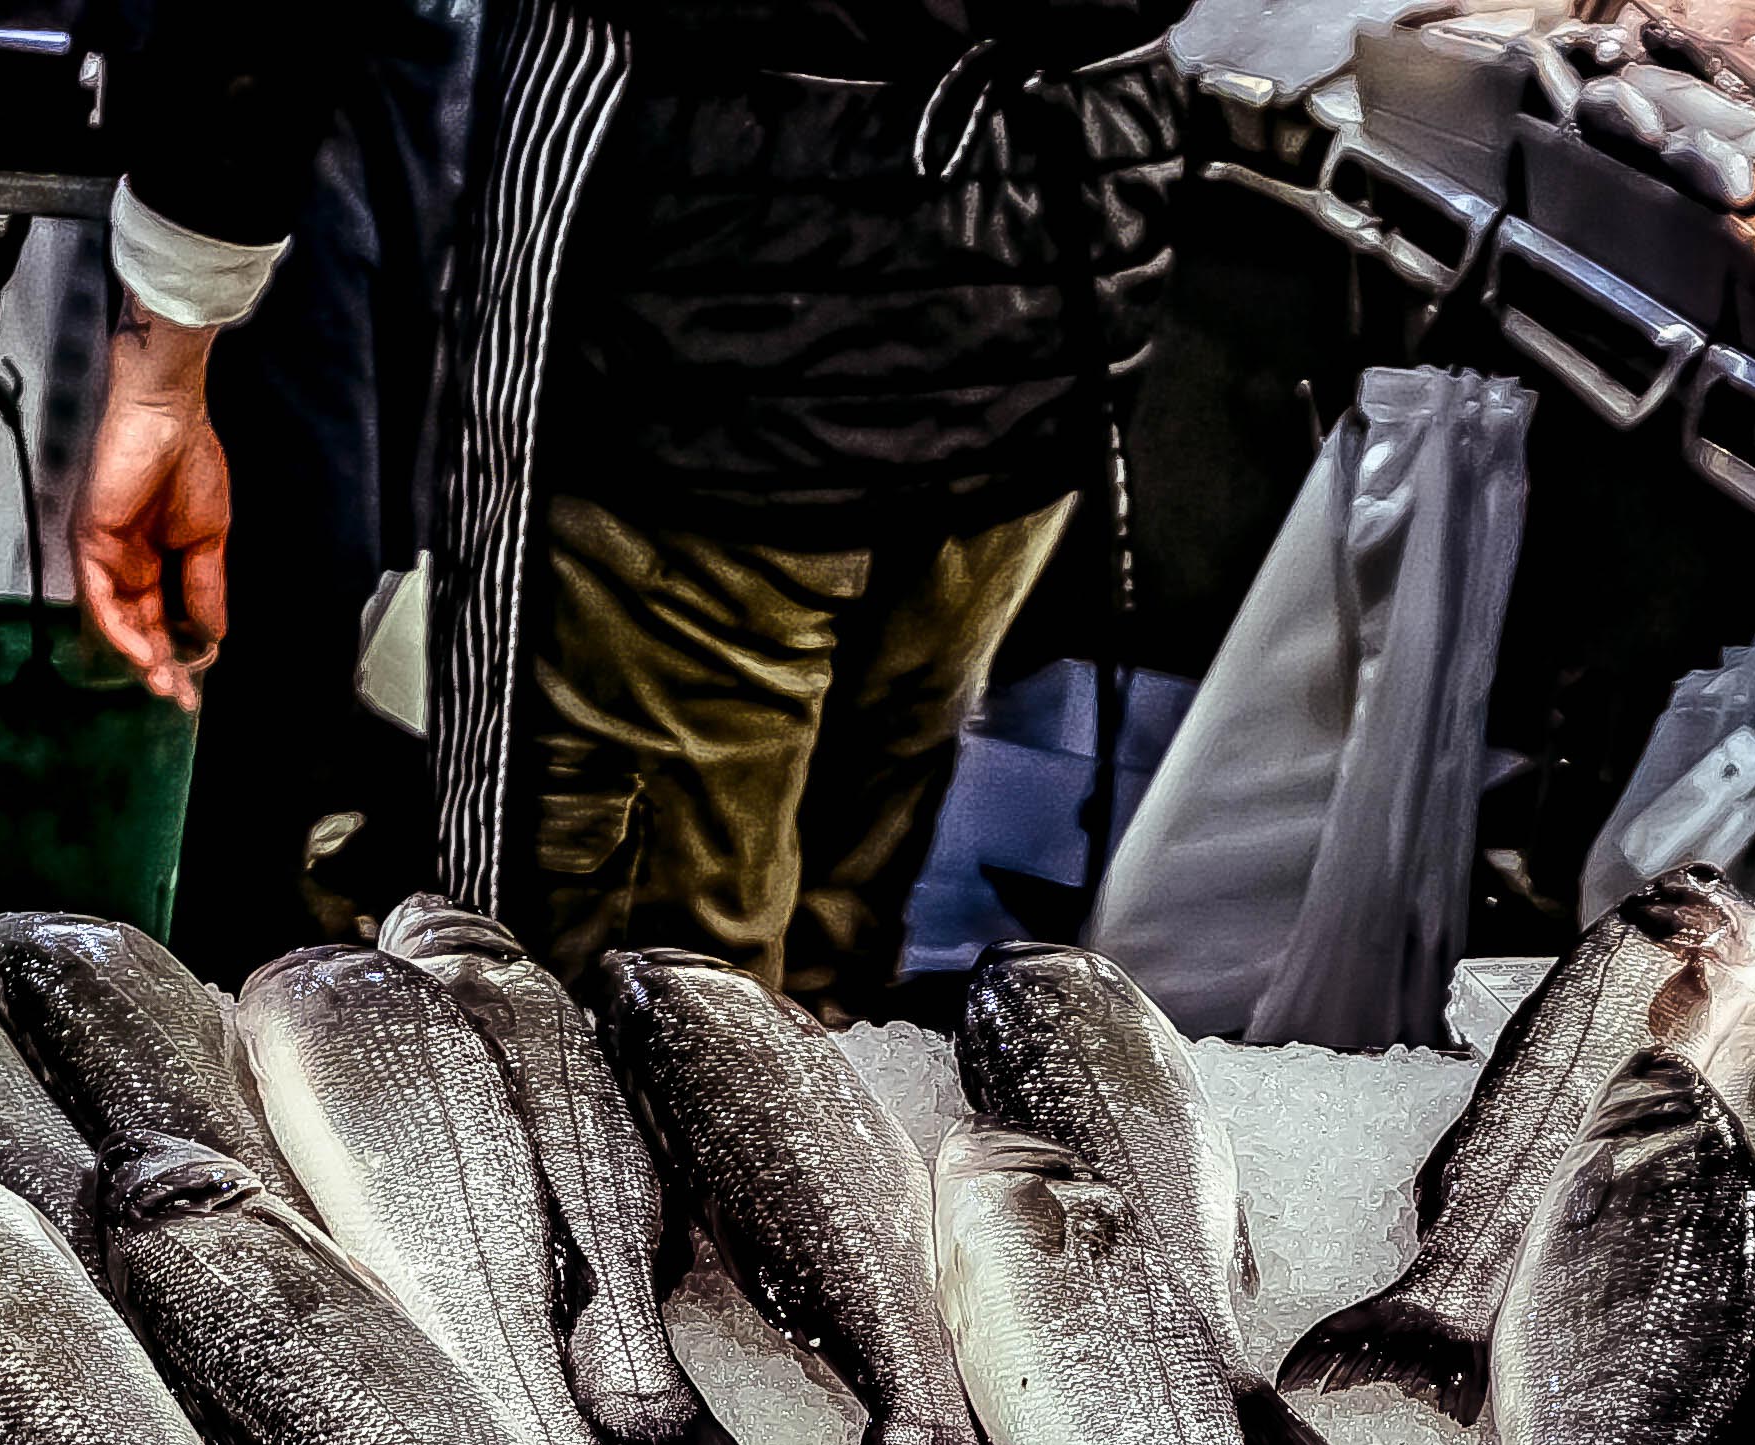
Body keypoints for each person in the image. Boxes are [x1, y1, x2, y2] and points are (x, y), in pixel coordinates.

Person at [84, 0, 1185, 1019]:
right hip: (1061, 243)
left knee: (605, 1024)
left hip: (697, 270)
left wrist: (170, 333)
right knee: (821, 971)